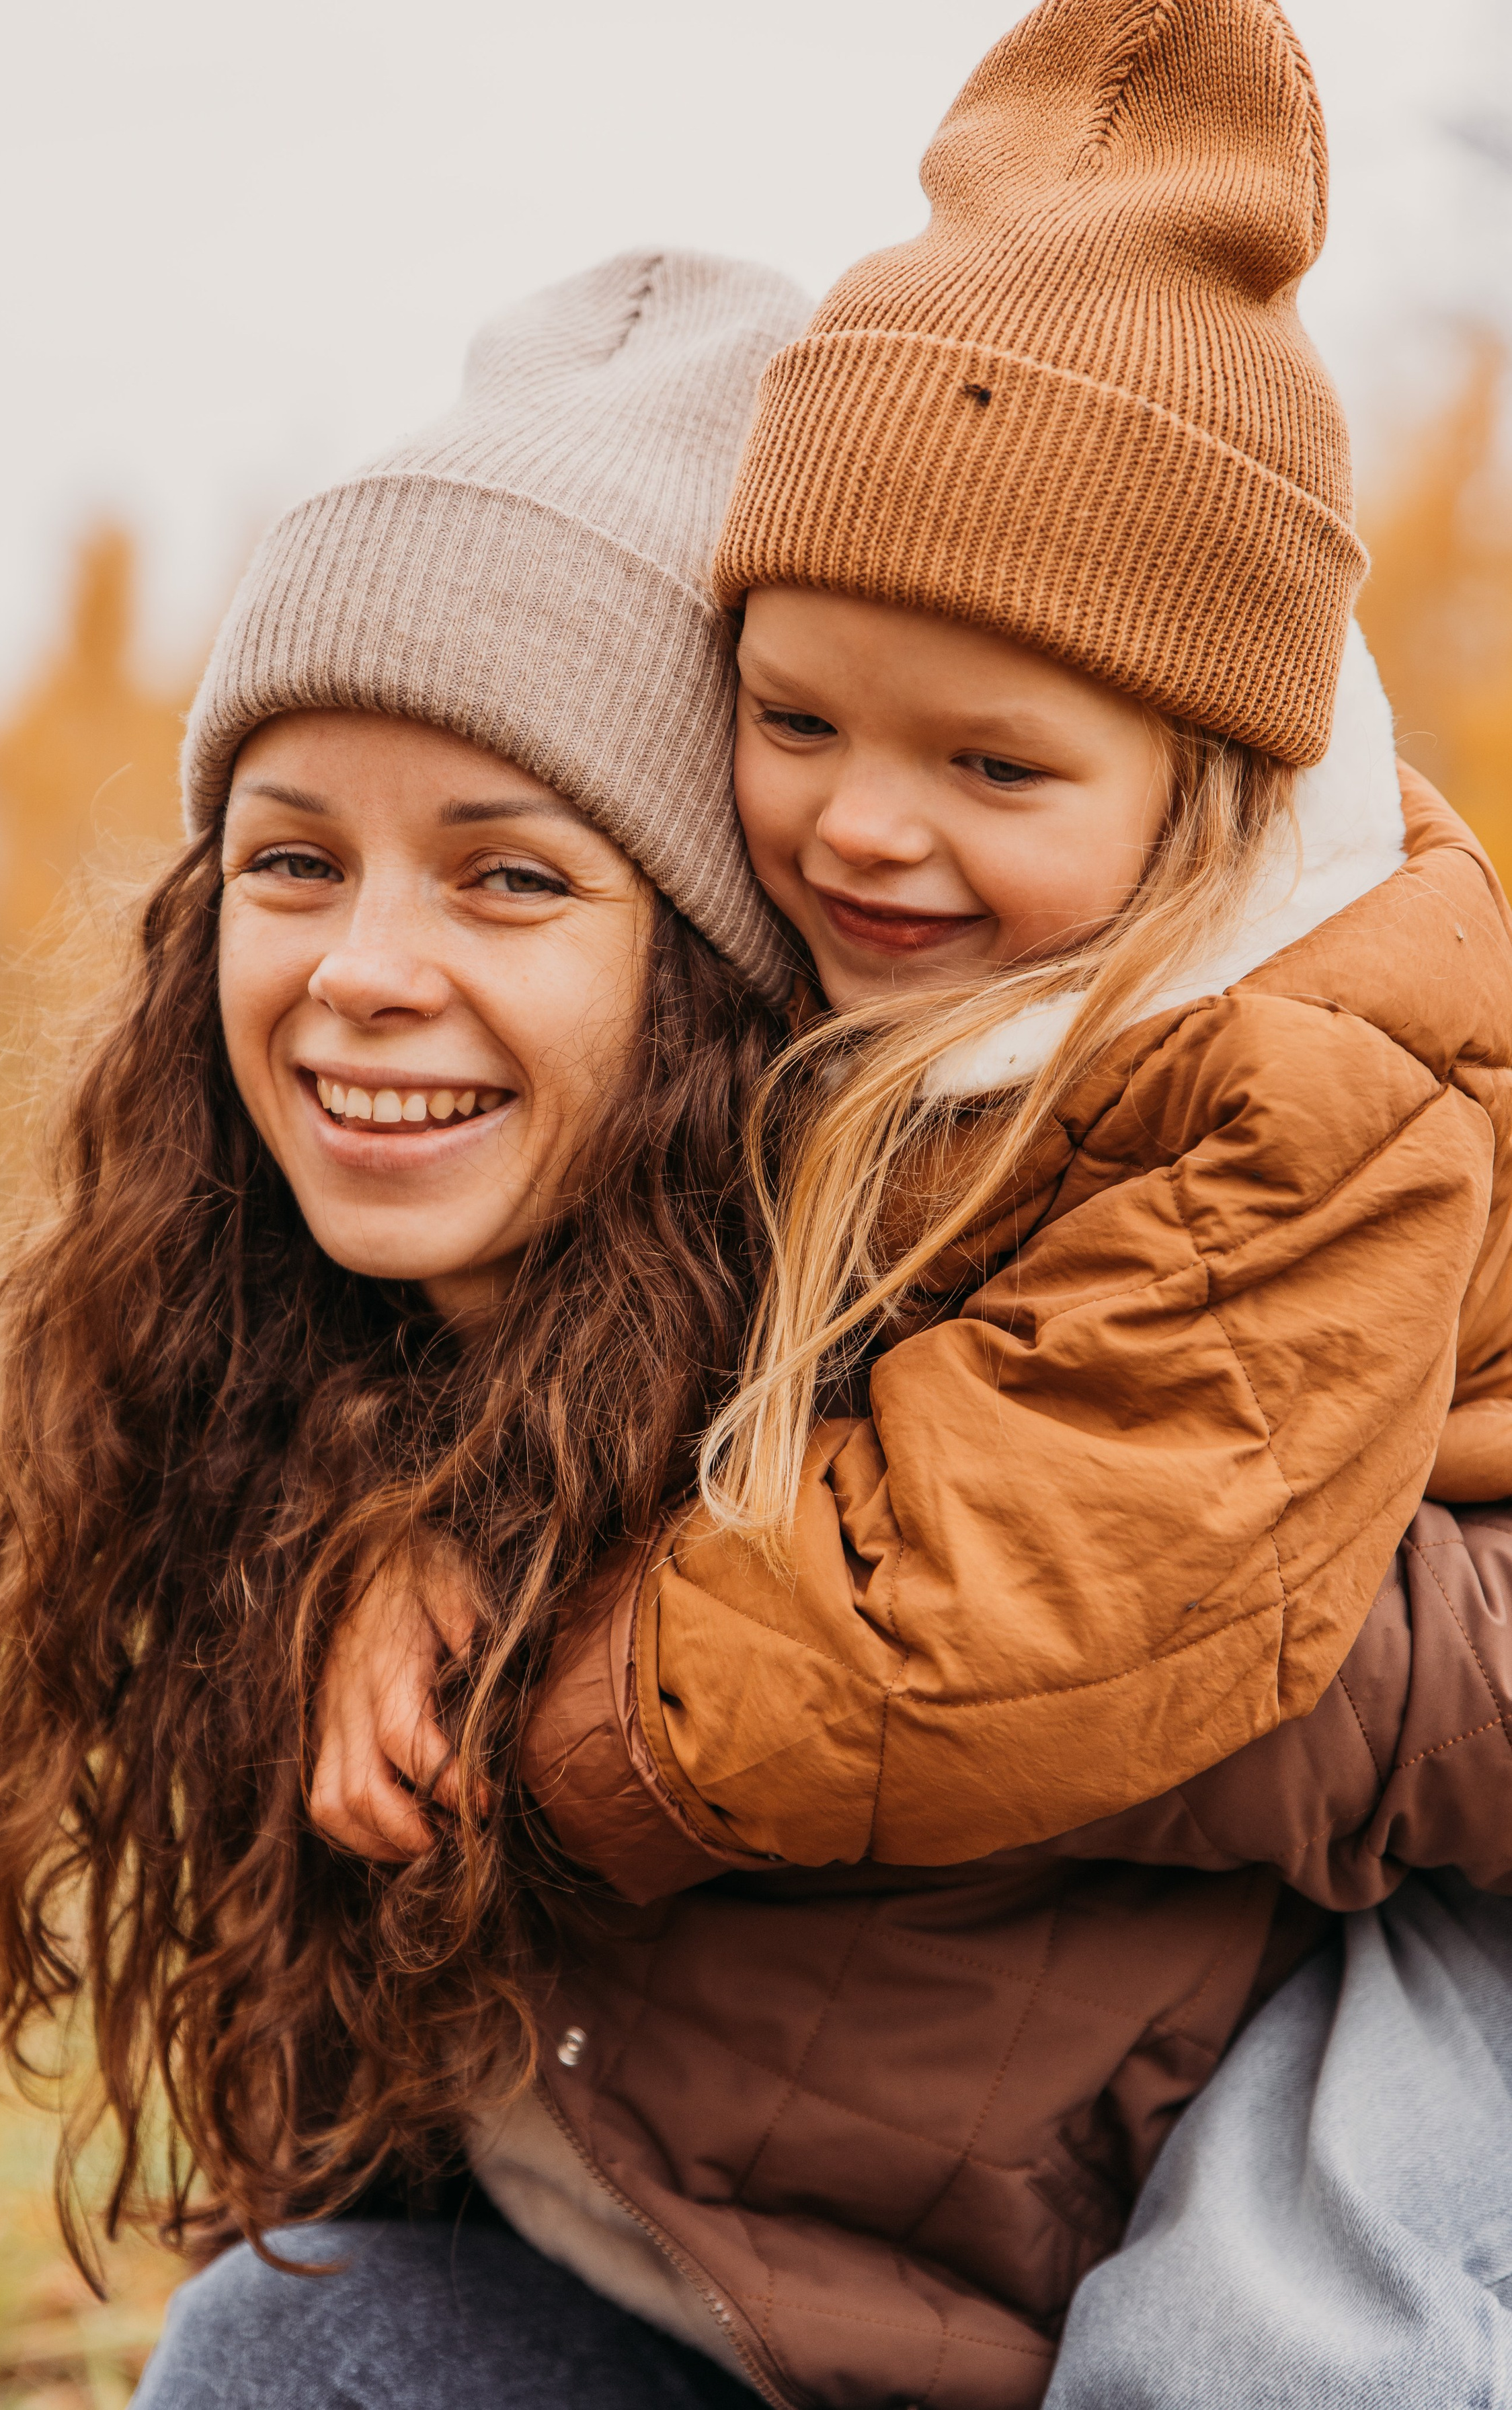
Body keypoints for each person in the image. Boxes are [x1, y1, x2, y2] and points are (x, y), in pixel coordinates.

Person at [309, 3, 1512, 2403]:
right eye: (795, 719)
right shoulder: (950, 995)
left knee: (1261, 2336)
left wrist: (569, 1694)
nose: (864, 824)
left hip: (1461, 1884)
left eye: (992, 760)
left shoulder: (1297, 1076)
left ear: (1212, 786)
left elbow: (1014, 1595)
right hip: (1277, 1747)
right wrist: (421, 1520)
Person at [0, 249, 804, 2410]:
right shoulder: (270, 1420)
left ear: (713, 979)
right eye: (294, 863)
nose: (363, 966)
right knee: (292, 2344)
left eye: (512, 878)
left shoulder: (954, 1358)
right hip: (697, 2341)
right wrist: (398, 1522)